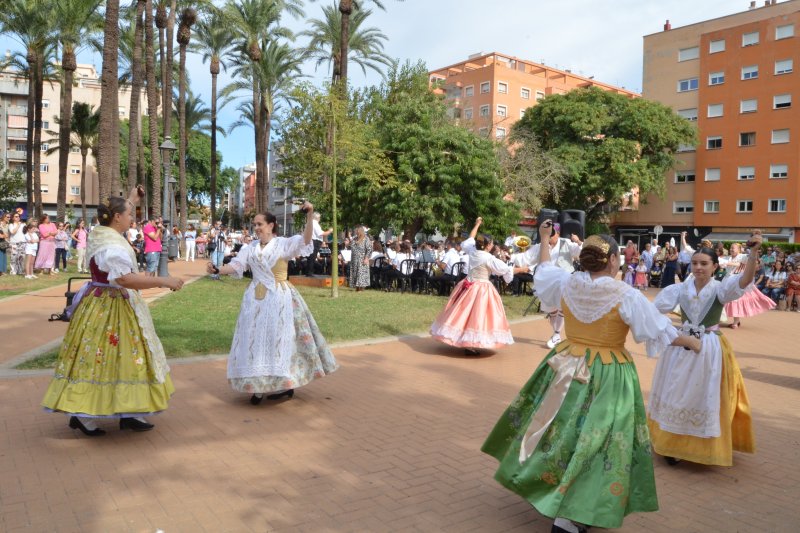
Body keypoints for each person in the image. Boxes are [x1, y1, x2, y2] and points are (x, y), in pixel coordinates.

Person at [482, 223, 700, 533]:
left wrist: (543, 239)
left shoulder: (567, 282)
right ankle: (571, 515)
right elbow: (659, 330)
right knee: (598, 439)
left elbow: (544, 270)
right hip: (606, 371)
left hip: (565, 363)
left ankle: (552, 493)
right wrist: (691, 341)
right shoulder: (626, 294)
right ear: (612, 260)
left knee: (559, 429)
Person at [41, 187, 184, 436]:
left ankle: (129, 411)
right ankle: (82, 415)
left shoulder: (101, 232)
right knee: (105, 357)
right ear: (117, 217)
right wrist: (164, 280)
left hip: (103, 302)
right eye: (130, 214)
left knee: (128, 356)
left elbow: (116, 213)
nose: (132, 218)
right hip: (111, 306)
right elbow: (124, 279)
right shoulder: (112, 245)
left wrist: (131, 199)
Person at [648, 235, 762, 466]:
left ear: (715, 267)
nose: (698, 267)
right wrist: (667, 331)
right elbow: (653, 311)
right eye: (695, 263)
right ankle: (672, 443)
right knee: (676, 391)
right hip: (681, 346)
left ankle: (698, 445)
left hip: (709, 348)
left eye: (704, 263)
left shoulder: (720, 289)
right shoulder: (680, 289)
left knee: (703, 394)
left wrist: (753, 253)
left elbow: (745, 280)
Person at [208, 203, 338, 404]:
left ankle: (285, 383)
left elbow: (306, 239)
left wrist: (310, 215)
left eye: (260, 224)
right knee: (254, 339)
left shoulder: (283, 244)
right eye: (255, 224)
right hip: (255, 300)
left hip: (280, 297)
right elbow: (236, 265)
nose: (256, 228)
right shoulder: (250, 247)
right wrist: (218, 270)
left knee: (280, 339)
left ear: (271, 225)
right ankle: (258, 387)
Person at [430, 217, 514, 355]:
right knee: (477, 315)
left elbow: (470, 238)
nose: (492, 245)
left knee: (462, 313)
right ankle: (470, 344)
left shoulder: (472, 251)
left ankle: (464, 340)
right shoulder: (489, 258)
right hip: (481, 288)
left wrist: (477, 224)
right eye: (491, 243)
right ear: (488, 245)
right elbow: (505, 270)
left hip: (468, 285)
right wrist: (520, 268)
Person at [524, 222, 582, 349]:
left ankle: (556, 334)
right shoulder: (542, 246)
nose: (550, 237)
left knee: (562, 308)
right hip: (548, 284)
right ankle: (556, 334)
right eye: (548, 234)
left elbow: (581, 251)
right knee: (552, 311)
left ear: (558, 233)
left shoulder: (567, 243)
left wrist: (578, 241)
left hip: (564, 281)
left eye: (552, 234)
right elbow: (527, 258)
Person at [722, 242, 775, 328]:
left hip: (739, 281)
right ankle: (731, 321)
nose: (731, 249)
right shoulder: (727, 257)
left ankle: (736, 322)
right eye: (730, 248)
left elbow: (752, 259)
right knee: (726, 300)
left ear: (739, 250)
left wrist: (754, 251)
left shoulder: (742, 256)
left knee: (736, 300)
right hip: (728, 281)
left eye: (733, 248)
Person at [304, 212, 332, 277]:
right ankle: (309, 273)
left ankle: (308, 272)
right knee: (312, 257)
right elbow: (320, 233)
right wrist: (329, 231)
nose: (320, 219)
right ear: (317, 218)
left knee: (310, 257)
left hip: (311, 241)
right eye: (319, 217)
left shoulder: (309, 223)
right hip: (315, 241)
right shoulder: (315, 223)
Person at [349, 225, 371, 292]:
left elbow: (369, 249)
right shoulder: (354, 238)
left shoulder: (366, 239)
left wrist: (366, 258)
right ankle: (356, 287)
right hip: (354, 259)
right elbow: (351, 246)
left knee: (361, 273)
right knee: (355, 272)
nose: (356, 233)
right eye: (356, 232)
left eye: (358, 232)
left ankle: (361, 288)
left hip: (362, 258)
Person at [0, 211, 9, 275]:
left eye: (9, 217)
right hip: (1, 241)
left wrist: (5, 236)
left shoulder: (7, 225)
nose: (9, 218)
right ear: (4, 217)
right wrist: (4, 236)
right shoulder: (0, 224)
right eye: (7, 217)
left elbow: (7, 235)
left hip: (4, 242)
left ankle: (2, 270)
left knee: (3, 256)